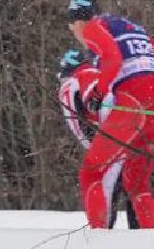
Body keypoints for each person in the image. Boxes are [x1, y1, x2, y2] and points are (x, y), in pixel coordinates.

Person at [65, 0, 154, 230]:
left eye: (72, 26)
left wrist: (99, 92)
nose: (75, 33)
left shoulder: (92, 27)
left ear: (78, 22)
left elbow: (112, 57)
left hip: (132, 102)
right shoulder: (135, 30)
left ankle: (96, 239)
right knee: (136, 182)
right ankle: (150, 239)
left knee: (92, 172)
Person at [56, 48, 138, 229]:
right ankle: (142, 233)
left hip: (112, 127)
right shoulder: (99, 75)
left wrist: (93, 146)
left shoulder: (70, 83)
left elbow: (75, 121)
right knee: (133, 181)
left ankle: (101, 231)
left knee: (97, 178)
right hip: (132, 116)